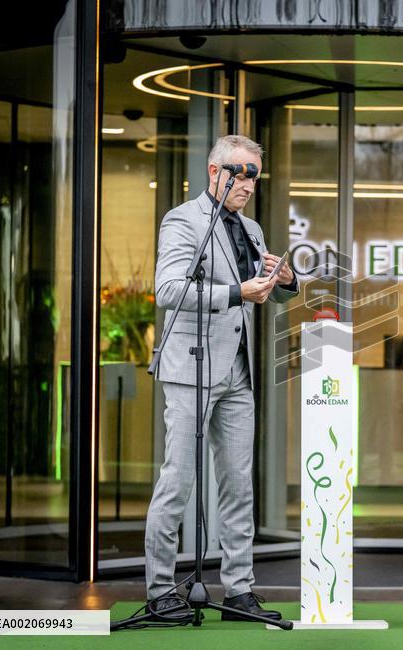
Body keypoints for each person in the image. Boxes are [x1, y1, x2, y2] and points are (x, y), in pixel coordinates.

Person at [145, 135, 298, 621]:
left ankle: (238, 590)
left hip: (238, 371)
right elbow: (167, 289)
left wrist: (284, 280)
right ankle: (160, 590)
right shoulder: (182, 220)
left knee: (238, 484)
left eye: (256, 174)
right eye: (243, 172)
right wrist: (235, 291)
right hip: (191, 367)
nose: (251, 183)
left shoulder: (250, 227)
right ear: (215, 171)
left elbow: (261, 290)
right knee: (178, 480)